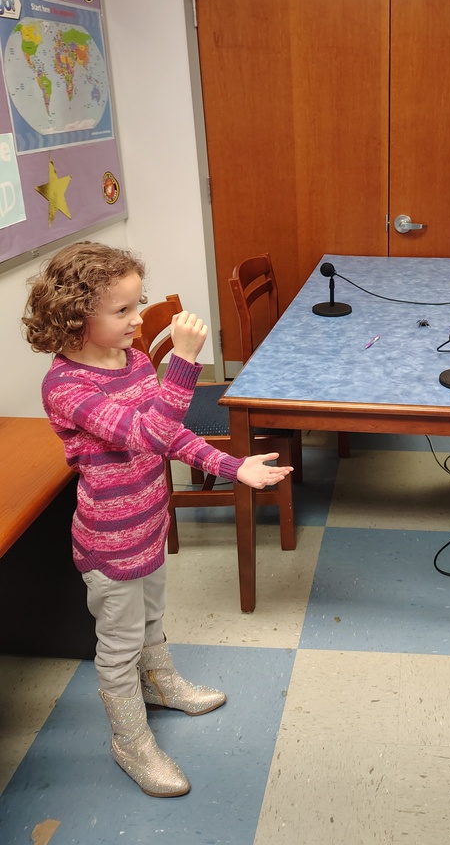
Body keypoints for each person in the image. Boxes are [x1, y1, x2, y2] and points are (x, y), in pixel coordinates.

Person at [22, 241, 293, 799]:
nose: (138, 318)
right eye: (122, 310)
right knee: (118, 649)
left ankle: (162, 682)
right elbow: (144, 433)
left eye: (137, 304)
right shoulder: (67, 387)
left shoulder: (135, 360)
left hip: (148, 526)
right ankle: (131, 742)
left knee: (151, 619)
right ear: (76, 315)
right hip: (110, 546)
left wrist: (231, 464)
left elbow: (169, 435)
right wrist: (186, 364)